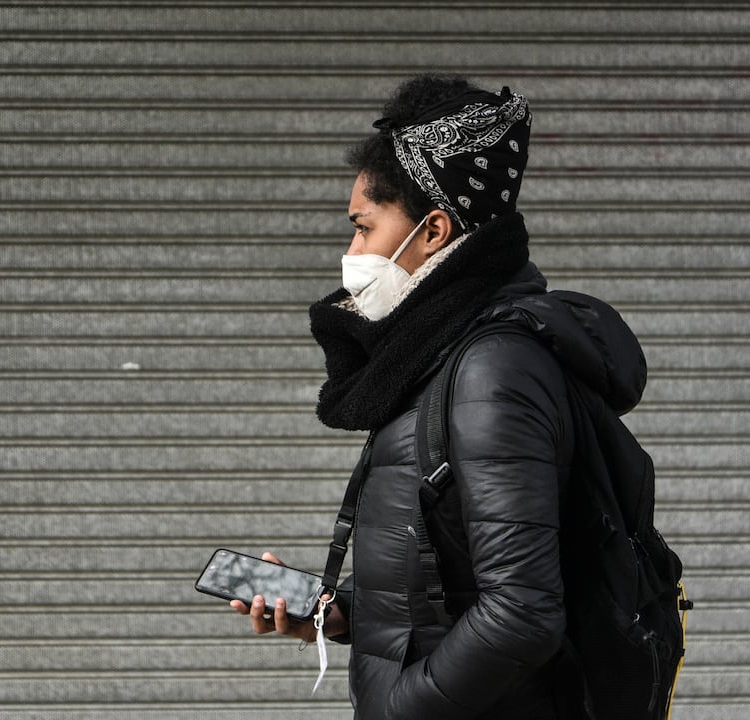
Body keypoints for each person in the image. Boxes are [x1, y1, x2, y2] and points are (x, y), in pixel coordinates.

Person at [228, 75, 648, 720]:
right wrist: (335, 614)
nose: (353, 252)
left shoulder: (491, 369)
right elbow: (454, 582)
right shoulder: (436, 355)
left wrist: (398, 710)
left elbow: (522, 614)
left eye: (364, 228)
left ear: (433, 230)